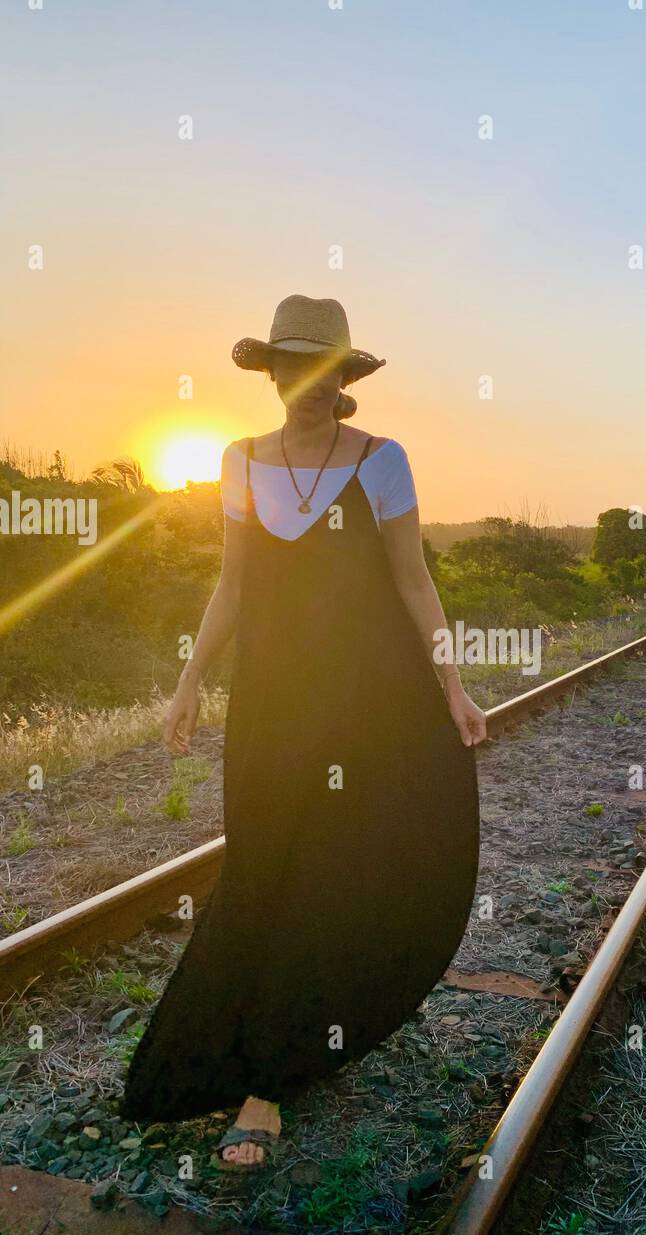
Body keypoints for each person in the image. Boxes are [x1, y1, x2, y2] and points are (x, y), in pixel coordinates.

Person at [120, 296, 484, 1172]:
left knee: (338, 867)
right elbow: (233, 586)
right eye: (296, 369)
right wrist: (190, 678)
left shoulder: (381, 461)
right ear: (274, 375)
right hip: (274, 702)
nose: (311, 385)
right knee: (262, 864)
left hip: (373, 703)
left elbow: (413, 583)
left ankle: (272, 1078)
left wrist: (452, 684)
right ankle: (259, 1034)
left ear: (344, 380)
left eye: (328, 372)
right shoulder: (239, 461)